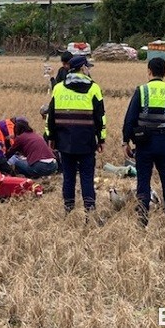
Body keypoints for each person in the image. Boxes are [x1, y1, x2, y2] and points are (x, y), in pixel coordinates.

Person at [122, 57, 165, 226]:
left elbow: (130, 119)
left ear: (149, 71)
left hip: (144, 142)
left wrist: (125, 141)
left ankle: (143, 214)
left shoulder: (142, 91)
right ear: (164, 72)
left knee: (143, 178)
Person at [46, 55, 106, 214]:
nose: (88, 69)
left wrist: (51, 137)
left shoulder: (58, 88)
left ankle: (68, 209)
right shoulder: (94, 88)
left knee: (68, 177)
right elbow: (100, 117)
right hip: (86, 142)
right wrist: (101, 139)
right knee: (87, 177)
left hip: (64, 142)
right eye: (87, 67)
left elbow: (50, 116)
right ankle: (90, 210)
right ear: (82, 68)